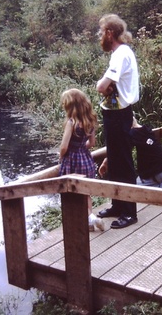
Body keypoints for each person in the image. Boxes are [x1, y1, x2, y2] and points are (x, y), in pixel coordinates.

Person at [95, 14, 140, 229]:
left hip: (120, 114)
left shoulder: (121, 54)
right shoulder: (119, 53)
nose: (100, 36)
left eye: (101, 31)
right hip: (114, 113)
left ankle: (129, 211)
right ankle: (117, 204)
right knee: (114, 159)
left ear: (109, 33)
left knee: (123, 161)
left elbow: (102, 87)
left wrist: (100, 85)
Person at [58, 88, 104, 232]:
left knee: (72, 194)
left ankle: (89, 218)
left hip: (72, 161)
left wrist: (60, 156)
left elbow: (64, 146)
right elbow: (92, 143)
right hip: (86, 159)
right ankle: (90, 222)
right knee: (85, 192)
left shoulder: (71, 122)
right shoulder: (90, 120)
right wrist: (80, 148)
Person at [98, 117, 162, 190]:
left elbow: (120, 150)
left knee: (134, 190)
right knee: (145, 184)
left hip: (155, 173)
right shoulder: (147, 130)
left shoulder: (132, 133)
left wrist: (106, 160)